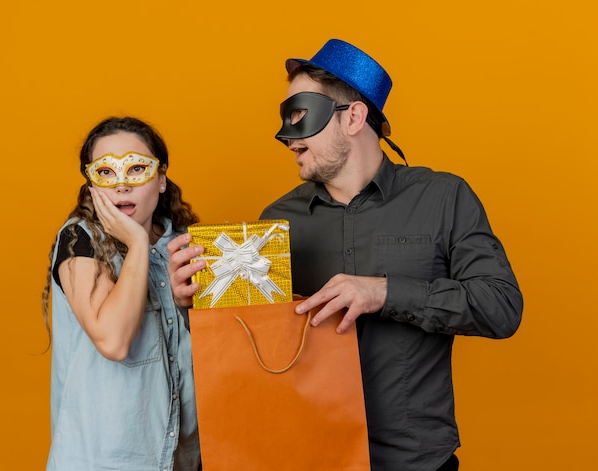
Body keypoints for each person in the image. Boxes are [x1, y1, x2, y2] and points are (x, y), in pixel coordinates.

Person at [259, 39, 523, 470]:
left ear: (354, 118)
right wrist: (194, 296)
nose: (288, 137)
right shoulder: (276, 221)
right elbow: (258, 344)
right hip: (312, 455)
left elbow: (502, 307)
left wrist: (386, 293)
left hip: (417, 461)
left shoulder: (444, 198)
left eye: (300, 116)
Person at [41, 116, 201, 470]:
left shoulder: (188, 245)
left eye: (137, 168)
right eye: (107, 172)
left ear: (161, 179)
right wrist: (137, 242)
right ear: (91, 184)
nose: (122, 186)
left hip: (182, 460)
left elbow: (221, 355)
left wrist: (187, 308)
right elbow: (113, 341)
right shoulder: (78, 240)